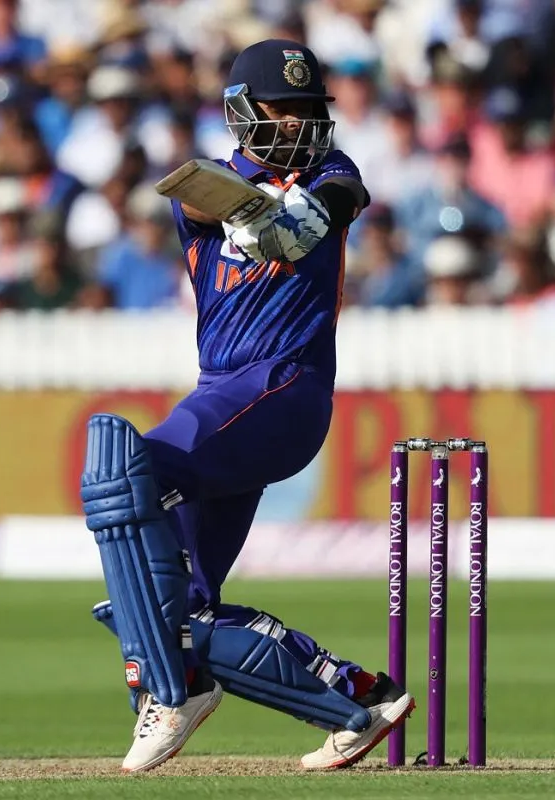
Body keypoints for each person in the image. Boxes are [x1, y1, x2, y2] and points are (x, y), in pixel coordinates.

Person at [83, 40, 413, 774]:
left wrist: (291, 219)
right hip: (225, 392)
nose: (298, 125)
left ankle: (172, 686)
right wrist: (255, 216)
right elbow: (226, 213)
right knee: (185, 604)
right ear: (242, 112)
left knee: (122, 472)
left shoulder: (336, 171)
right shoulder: (204, 186)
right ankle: (354, 695)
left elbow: (318, 216)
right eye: (282, 110)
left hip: (284, 388)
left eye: (308, 111)